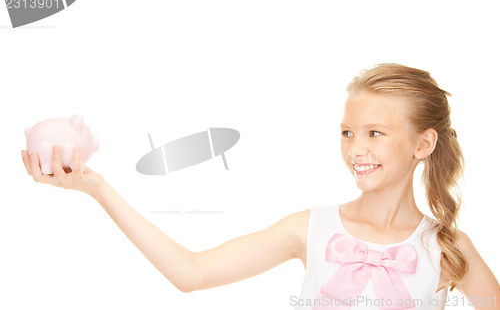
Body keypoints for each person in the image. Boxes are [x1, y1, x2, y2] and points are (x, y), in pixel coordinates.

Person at [22, 63, 499, 309]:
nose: (356, 148)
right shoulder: (309, 228)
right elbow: (192, 273)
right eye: (348, 132)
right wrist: (98, 188)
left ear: (423, 143)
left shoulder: (449, 248)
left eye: (376, 133)